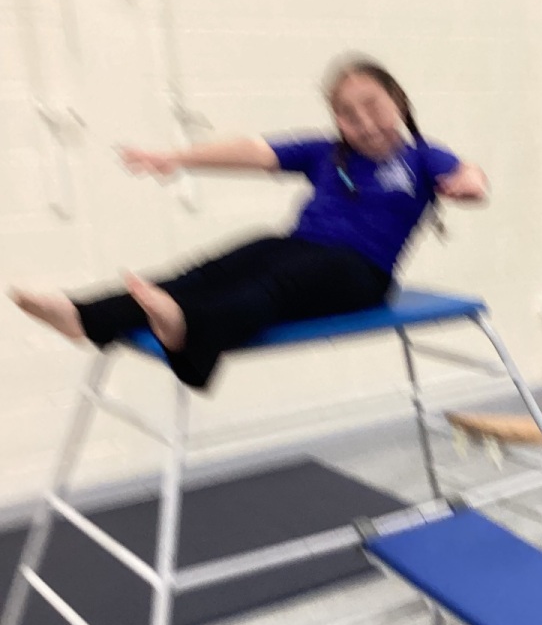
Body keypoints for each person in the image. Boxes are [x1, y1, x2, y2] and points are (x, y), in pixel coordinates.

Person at [7, 56, 489, 389]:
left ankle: (187, 333)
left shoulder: (422, 156)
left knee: (274, 288)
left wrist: (469, 185)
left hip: (362, 272)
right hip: (298, 246)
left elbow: (469, 173)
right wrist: (177, 158)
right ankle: (83, 316)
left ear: (398, 102)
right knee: (205, 273)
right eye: (347, 113)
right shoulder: (325, 151)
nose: (363, 122)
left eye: (373, 106)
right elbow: (252, 152)